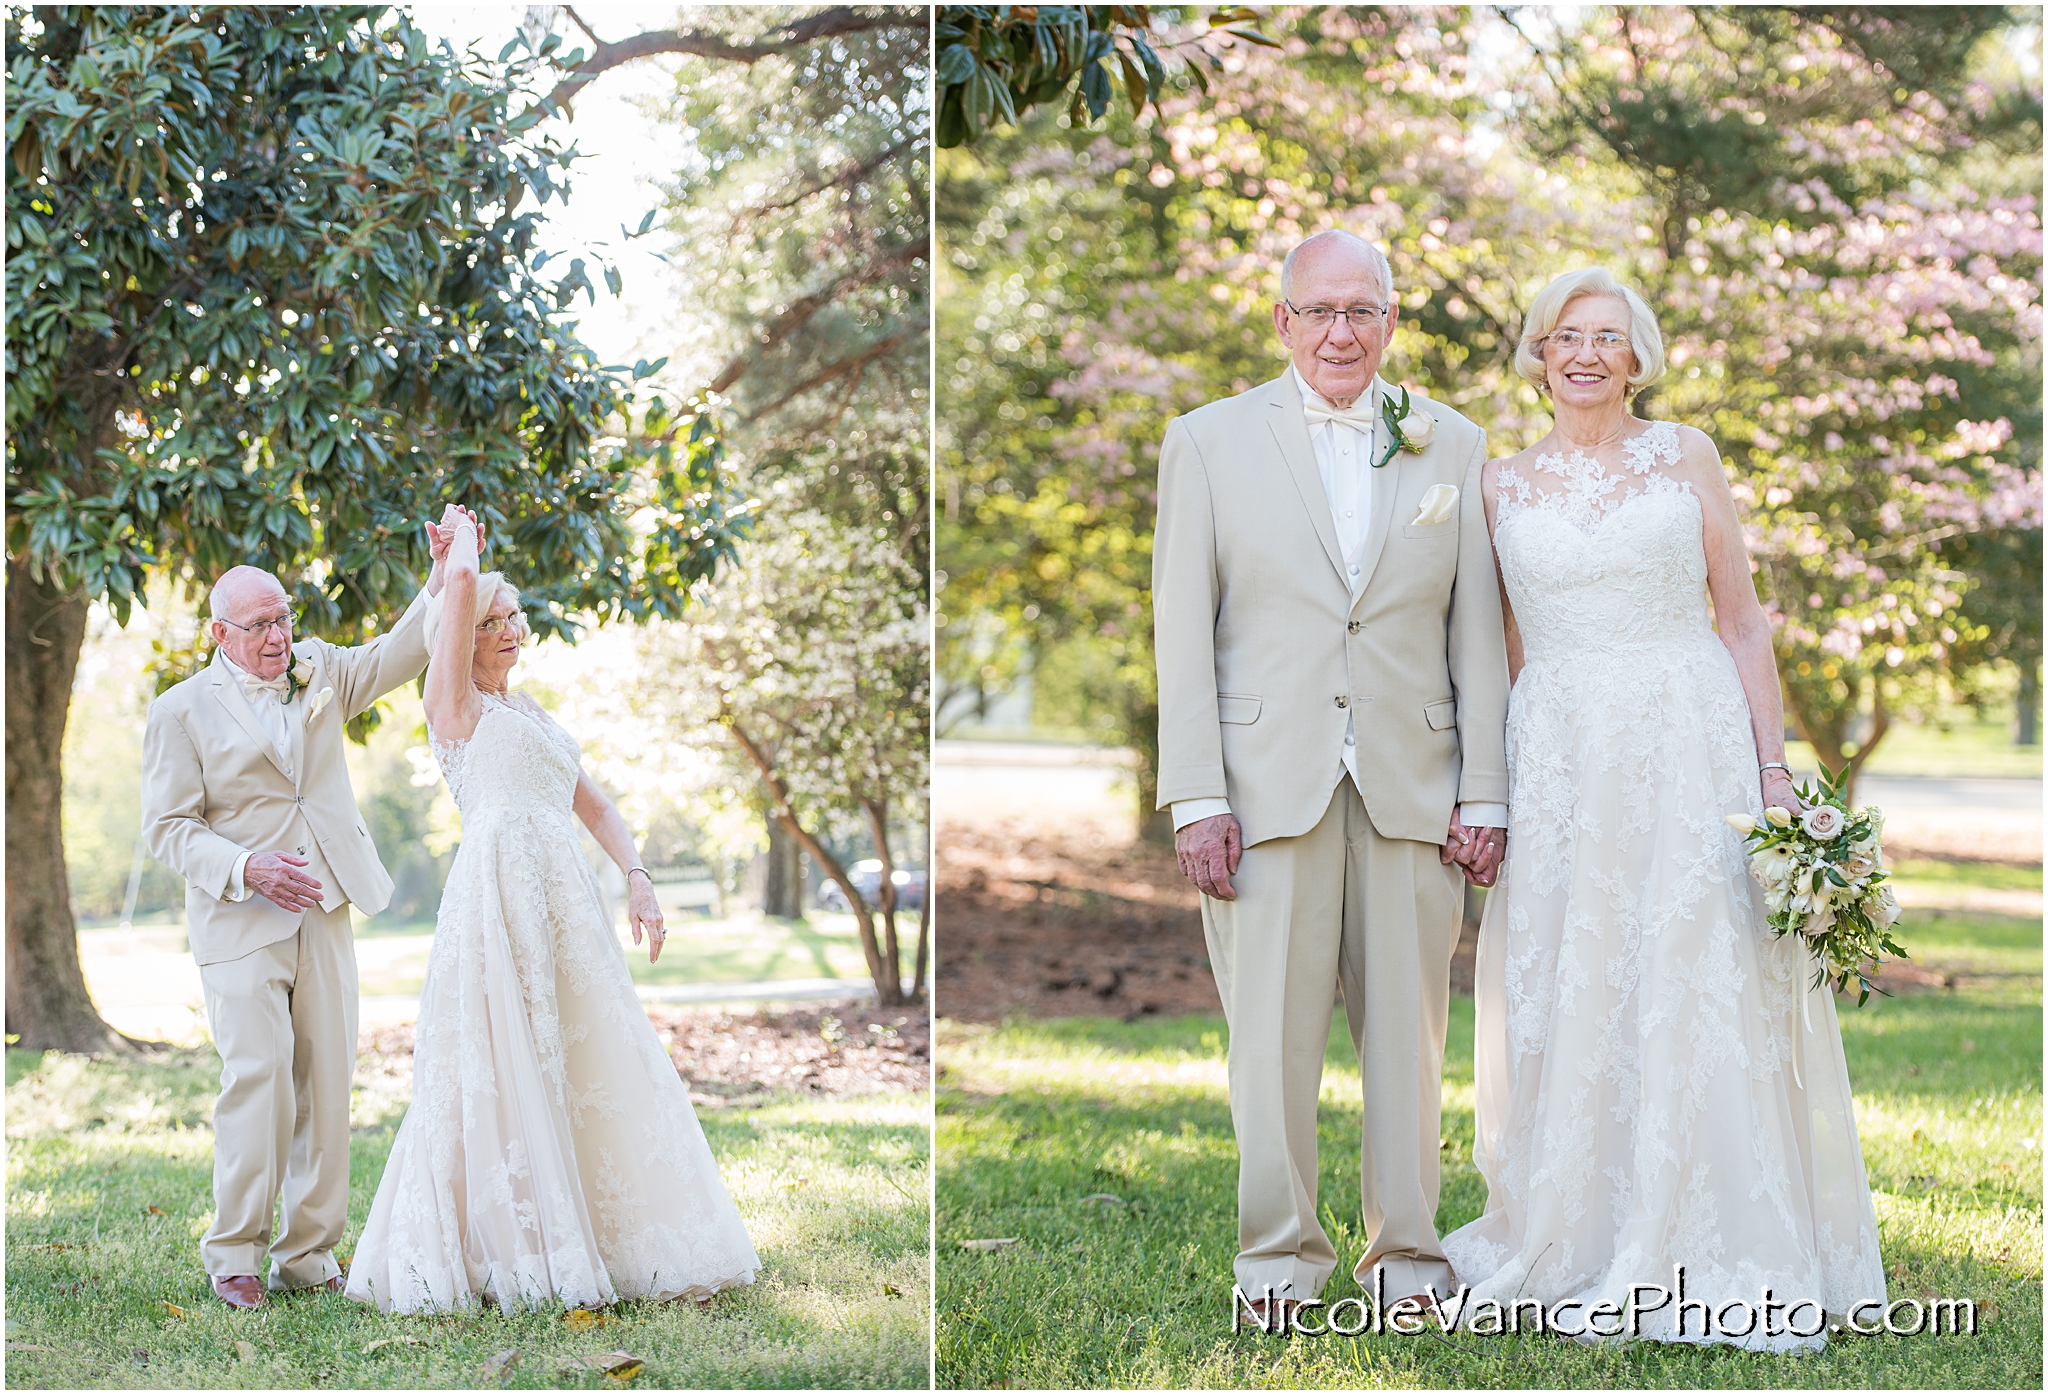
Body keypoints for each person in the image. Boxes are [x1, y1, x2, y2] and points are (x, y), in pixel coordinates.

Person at [1440, 267, 1885, 1349]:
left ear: (1635, 356)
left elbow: (1738, 624)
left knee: (1691, 970)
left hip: (1688, 744)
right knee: (1573, 976)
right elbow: (1491, 652)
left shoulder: (1682, 455)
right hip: (1559, 754)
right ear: (1536, 355)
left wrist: (1771, 770)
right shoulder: (1494, 485)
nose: (1583, 354)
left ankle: (1712, 1235)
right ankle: (1572, 1230)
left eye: (1606, 337)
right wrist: (1485, 788)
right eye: (1562, 337)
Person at [1152, 229, 1511, 1321]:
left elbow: (1476, 634)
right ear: (1282, 323)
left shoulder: (1453, 444)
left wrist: (1484, 791)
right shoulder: (1206, 441)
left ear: (1392, 322)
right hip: (1262, 786)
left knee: (1408, 1045)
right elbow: (1179, 625)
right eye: (1319, 312)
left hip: (1413, 782)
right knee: (1267, 1045)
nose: (1341, 332)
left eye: (1362, 311)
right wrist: (1196, 794)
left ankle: (1405, 1258)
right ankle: (1277, 1263)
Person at [345, 503, 758, 1313]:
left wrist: (638, 875)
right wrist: (459, 538)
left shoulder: (531, 715)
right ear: (461, 636)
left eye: (514, 617)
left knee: (584, 1059)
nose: (509, 629)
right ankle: (509, 1244)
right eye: (491, 620)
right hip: (499, 901)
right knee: (500, 1065)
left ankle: (601, 1234)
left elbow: (598, 808)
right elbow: (457, 581)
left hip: (566, 903)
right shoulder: (451, 703)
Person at [141, 524, 462, 1308]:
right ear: (219, 633)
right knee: (259, 1081)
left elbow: (397, 651)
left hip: (325, 907)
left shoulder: (320, 668)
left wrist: (442, 576)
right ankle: (235, 1254)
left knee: (326, 1086)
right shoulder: (179, 712)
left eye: (283, 617)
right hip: (238, 922)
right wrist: (246, 866)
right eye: (259, 625)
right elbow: (168, 828)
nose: (278, 635)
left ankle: (309, 1252)